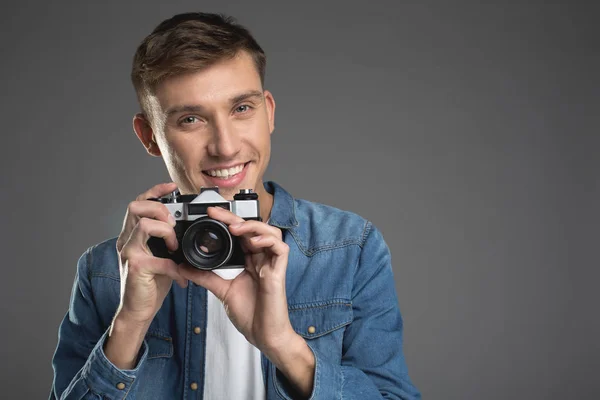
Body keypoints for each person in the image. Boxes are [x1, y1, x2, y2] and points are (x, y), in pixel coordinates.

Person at [49, 12, 421, 400]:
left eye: (241, 108)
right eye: (190, 119)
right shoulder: (105, 271)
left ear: (269, 111)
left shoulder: (350, 248)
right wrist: (128, 324)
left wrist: (284, 347)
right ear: (150, 136)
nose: (225, 146)